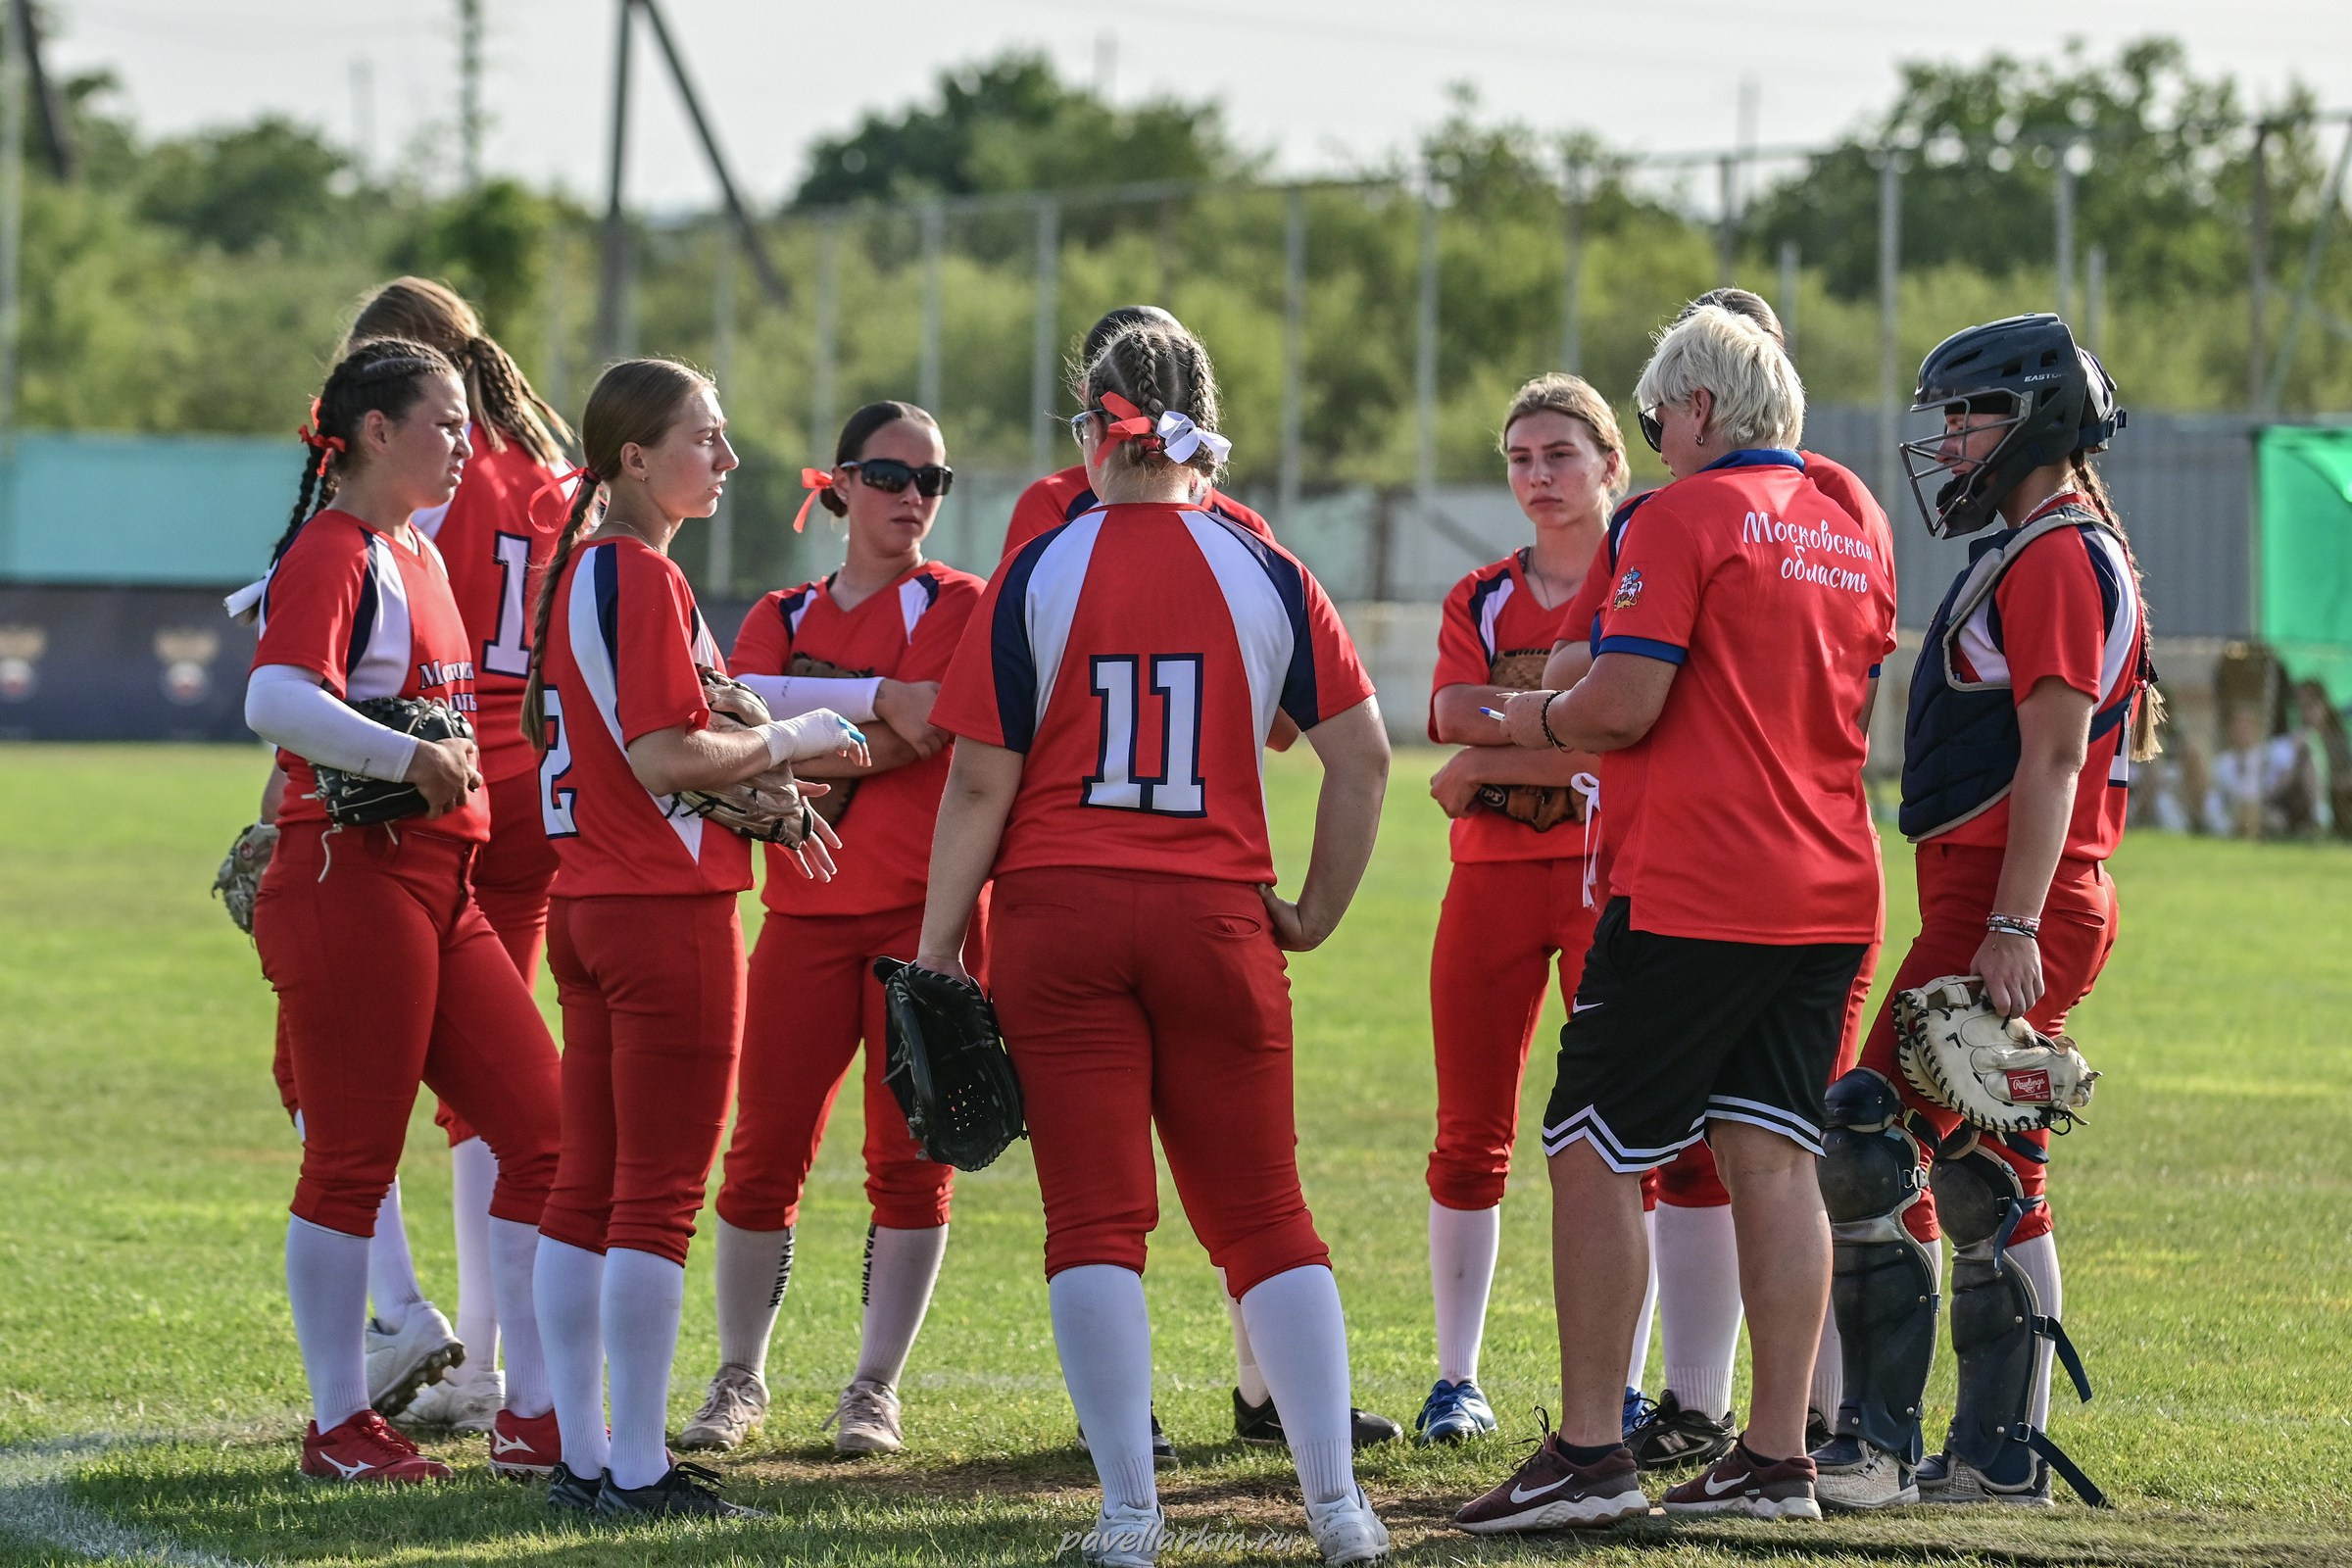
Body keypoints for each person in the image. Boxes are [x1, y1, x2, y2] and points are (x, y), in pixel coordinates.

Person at [915, 320, 1394, 1566]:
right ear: (1201, 424)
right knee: (1266, 1215)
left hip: (1060, 915)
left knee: (1092, 1220)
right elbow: (1364, 754)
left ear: (1090, 428)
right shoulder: (1263, 567)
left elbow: (977, 783)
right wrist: (1317, 906)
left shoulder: (1041, 563)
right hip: (1214, 912)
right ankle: (1338, 1508)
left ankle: (1130, 1516)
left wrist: (933, 950)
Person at [1459, 304, 1895, 1531]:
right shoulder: (1853, 509)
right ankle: (1774, 1456)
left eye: (1654, 418)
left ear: (1696, 409)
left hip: (1700, 880)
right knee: (1774, 1151)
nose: (1652, 440)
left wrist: (1521, 718)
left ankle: (1591, 1451)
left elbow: (1626, 703)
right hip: (1831, 879)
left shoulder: (1679, 512)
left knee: (1590, 1144)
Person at [1812, 313, 2154, 1510]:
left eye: (1970, 415)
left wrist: (2009, 929)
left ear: (2039, 418)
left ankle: (1872, 1448)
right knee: (1988, 1163)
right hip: (2004, 892)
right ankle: (1997, 1456)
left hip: (2016, 897)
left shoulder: (2058, 552)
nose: (1949, 440)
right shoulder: (2039, 544)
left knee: (1867, 1134)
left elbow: (2054, 758)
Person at [520, 358, 863, 1518]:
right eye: (703, 437)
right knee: (657, 1194)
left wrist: (754, 751)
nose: (724, 457)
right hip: (662, 914)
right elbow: (667, 755)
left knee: (590, 1187)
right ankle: (636, 1466)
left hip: (592, 905)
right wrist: (792, 739)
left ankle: (583, 1449)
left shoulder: (586, 569)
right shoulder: (637, 574)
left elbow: (646, 746)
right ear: (633, 457)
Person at [243, 336, 565, 1484]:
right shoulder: (338, 546)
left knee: (545, 1130)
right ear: (376, 431)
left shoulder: (412, 548)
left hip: (441, 885)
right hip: (351, 880)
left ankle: (537, 1412)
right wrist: (400, 753)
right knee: (352, 1160)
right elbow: (273, 695)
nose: (464, 442)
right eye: (443, 422)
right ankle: (340, 1425)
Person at [677, 400, 984, 1457]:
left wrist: (802, 726)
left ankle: (872, 1387)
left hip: (922, 922)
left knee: (911, 1157)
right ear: (840, 484)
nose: (913, 499)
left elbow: (923, 731)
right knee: (762, 1153)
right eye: (891, 477)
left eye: (931, 482)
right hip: (801, 917)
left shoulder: (957, 598)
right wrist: (874, 696)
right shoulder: (782, 605)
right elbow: (731, 712)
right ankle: (738, 1375)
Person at [334, 276, 576, 1435]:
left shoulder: (427, 486)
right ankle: (492, 1363)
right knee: (501, 1084)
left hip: (433, 785)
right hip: (543, 785)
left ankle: (406, 1321)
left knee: (327, 1074)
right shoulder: (548, 466)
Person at [1415, 372, 1628, 1446]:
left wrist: (1497, 751)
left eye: (1559, 454)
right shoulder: (1485, 593)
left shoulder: (1638, 576)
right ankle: (1457, 1376)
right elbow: (1447, 708)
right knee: (1469, 1132)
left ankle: (1629, 1383)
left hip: (1607, 877)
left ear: (1609, 463)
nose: (1537, 476)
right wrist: (1553, 735)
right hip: (1491, 881)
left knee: (1623, 1129)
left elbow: (1627, 739)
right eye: (1519, 457)